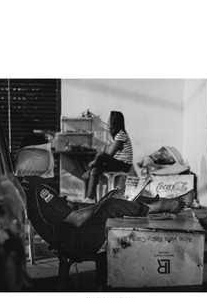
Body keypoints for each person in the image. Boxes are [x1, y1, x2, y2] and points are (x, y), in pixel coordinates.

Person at [15, 137, 186, 260]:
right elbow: (77, 219)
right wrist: (104, 203)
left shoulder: (31, 184)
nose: (52, 159)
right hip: (75, 242)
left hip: (68, 236)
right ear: (35, 159)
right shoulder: (40, 191)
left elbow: (70, 208)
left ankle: (160, 201)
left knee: (114, 197)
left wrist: (103, 200)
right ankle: (158, 206)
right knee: (112, 204)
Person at [83, 111, 133, 202]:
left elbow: (110, 154)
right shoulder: (117, 135)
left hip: (124, 165)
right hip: (118, 163)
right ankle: (90, 198)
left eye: (110, 121)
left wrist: (95, 161)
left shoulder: (121, 134)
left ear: (114, 122)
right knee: (95, 170)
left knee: (101, 155)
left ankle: (89, 169)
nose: (108, 122)